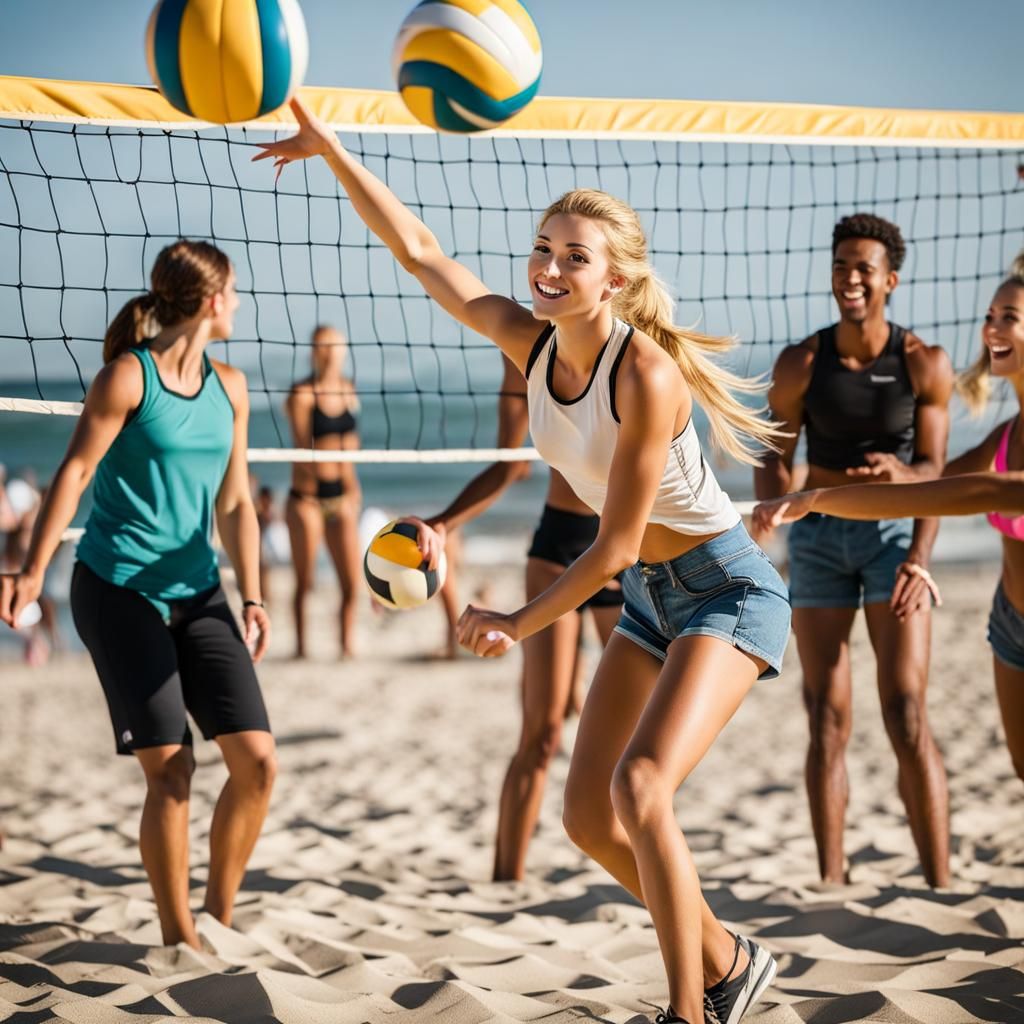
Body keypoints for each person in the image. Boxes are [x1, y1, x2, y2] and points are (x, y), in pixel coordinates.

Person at [256, 98, 791, 1024]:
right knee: (589, 819)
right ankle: (728, 958)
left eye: (573, 257)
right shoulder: (531, 343)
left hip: (727, 591)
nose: (548, 267)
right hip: (654, 603)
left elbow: (615, 545)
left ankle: (690, 1011)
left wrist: (515, 620)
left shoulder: (645, 375)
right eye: (543, 248)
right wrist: (334, 151)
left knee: (641, 786)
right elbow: (420, 252)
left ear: (614, 281)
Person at [0, 240, 276, 949]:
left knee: (257, 763)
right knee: (174, 770)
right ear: (213, 301)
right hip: (117, 587)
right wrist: (32, 569)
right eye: (235, 292)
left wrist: (253, 595)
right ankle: (180, 940)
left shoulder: (233, 387)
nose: (240, 304)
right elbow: (74, 473)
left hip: (199, 589)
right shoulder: (127, 379)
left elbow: (238, 503)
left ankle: (218, 918)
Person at [755, 251, 1024, 787]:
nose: (991, 327)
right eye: (990, 315)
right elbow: (928, 491)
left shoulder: (931, 377)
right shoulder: (1006, 436)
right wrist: (821, 497)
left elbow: (977, 492)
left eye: (1009, 317)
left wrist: (827, 499)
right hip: (1011, 624)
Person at [754, 214, 955, 888]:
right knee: (826, 715)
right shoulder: (801, 363)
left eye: (864, 267)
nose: (850, 277)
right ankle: (831, 884)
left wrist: (919, 553)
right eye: (841, 265)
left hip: (896, 539)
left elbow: (936, 472)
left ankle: (939, 882)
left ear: (890, 280)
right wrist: (770, 510)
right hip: (817, 539)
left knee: (904, 710)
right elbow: (773, 456)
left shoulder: (924, 362)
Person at [406, 352, 624, 881]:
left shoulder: (636, 351)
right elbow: (512, 463)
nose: (554, 274)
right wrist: (443, 522)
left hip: (622, 547)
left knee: (631, 744)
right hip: (558, 542)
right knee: (541, 733)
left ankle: (641, 881)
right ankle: (506, 881)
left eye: (575, 261)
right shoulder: (525, 352)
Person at [285, 325, 362, 658]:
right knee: (305, 583)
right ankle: (301, 649)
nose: (331, 350)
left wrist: (352, 488)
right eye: (323, 345)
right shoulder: (301, 394)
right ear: (314, 351)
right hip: (307, 499)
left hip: (342, 496)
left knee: (352, 584)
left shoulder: (349, 390)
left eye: (336, 344)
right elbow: (305, 452)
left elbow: (350, 447)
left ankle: (345, 647)